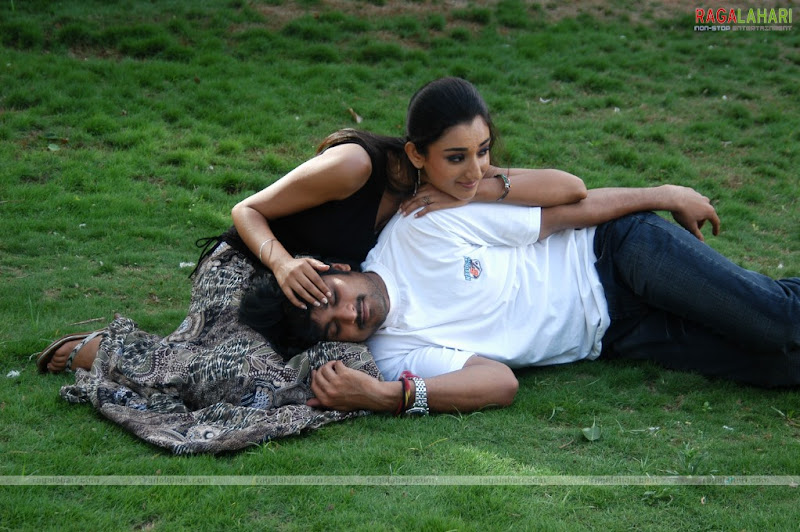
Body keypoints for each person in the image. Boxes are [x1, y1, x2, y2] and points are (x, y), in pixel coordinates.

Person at [36, 76, 586, 377]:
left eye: (481, 152)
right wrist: (281, 263)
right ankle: (110, 351)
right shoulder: (355, 166)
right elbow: (246, 211)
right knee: (227, 364)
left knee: (307, 379)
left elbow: (570, 188)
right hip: (252, 265)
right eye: (458, 158)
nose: (474, 167)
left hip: (323, 302)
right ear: (418, 153)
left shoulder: (449, 180)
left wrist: (477, 185)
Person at [252, 182, 800, 416]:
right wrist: (384, 396)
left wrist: (663, 194)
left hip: (616, 252)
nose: (349, 314)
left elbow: (562, 213)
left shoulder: (416, 229)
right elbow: (500, 383)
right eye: (335, 328)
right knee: (779, 366)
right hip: (617, 336)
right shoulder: (393, 356)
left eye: (333, 298)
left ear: (337, 269)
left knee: (776, 322)